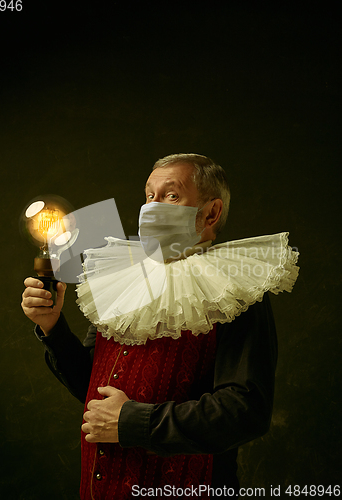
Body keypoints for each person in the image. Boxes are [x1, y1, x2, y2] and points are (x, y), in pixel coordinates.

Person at [22, 154, 295, 499]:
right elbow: (90, 387)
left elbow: (246, 411)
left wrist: (133, 422)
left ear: (211, 213)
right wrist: (53, 327)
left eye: (171, 195)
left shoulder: (236, 291)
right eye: (149, 196)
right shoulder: (120, 281)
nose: (152, 207)